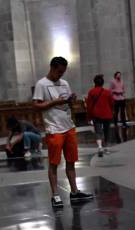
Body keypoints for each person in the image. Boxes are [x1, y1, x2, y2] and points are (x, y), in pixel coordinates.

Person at [32, 56, 94, 208]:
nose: (61, 75)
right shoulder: (42, 84)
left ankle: (74, 191)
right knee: (54, 163)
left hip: (69, 126)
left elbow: (68, 103)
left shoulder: (65, 83)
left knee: (71, 161)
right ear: (52, 68)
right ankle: (55, 195)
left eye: (63, 72)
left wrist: (71, 100)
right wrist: (55, 102)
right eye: (59, 72)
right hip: (54, 129)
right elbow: (35, 105)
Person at [86, 74, 114, 157]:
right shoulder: (107, 92)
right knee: (107, 131)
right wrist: (111, 112)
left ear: (94, 83)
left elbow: (89, 106)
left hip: (96, 114)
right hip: (107, 114)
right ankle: (107, 148)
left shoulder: (91, 92)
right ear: (103, 83)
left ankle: (100, 147)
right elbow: (112, 103)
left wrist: (89, 117)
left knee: (98, 131)